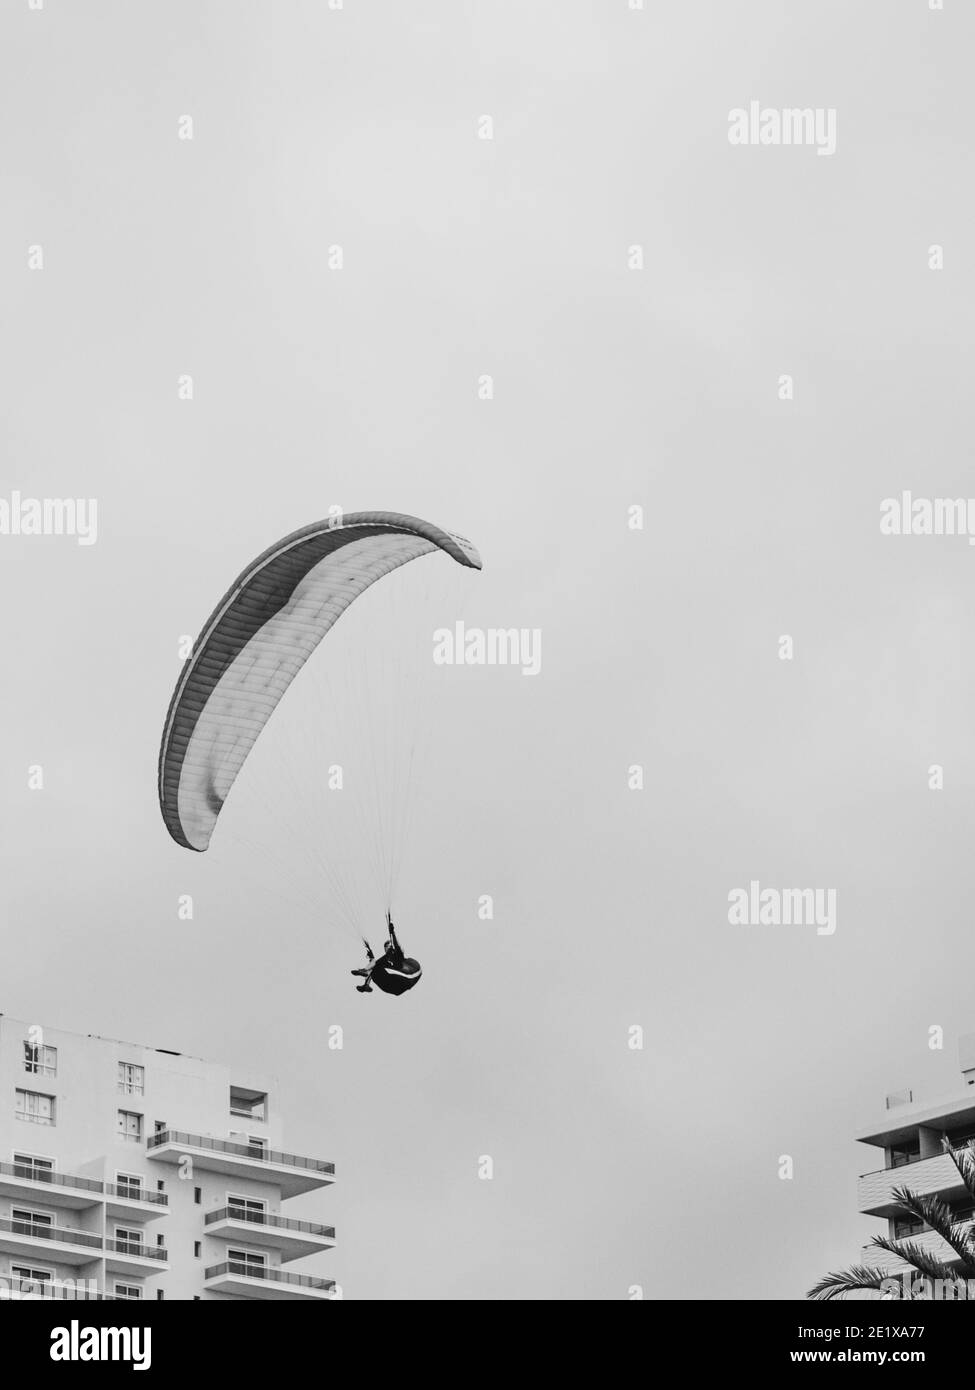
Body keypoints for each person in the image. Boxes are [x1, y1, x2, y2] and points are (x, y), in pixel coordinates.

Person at [351, 914, 422, 996]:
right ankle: (366, 984)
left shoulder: (397, 954)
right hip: (392, 986)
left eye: (388, 946)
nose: (387, 948)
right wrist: (369, 952)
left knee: (377, 964)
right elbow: (374, 963)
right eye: (385, 947)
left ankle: (365, 972)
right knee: (375, 967)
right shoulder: (387, 960)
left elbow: (395, 944)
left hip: (407, 977)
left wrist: (391, 931)